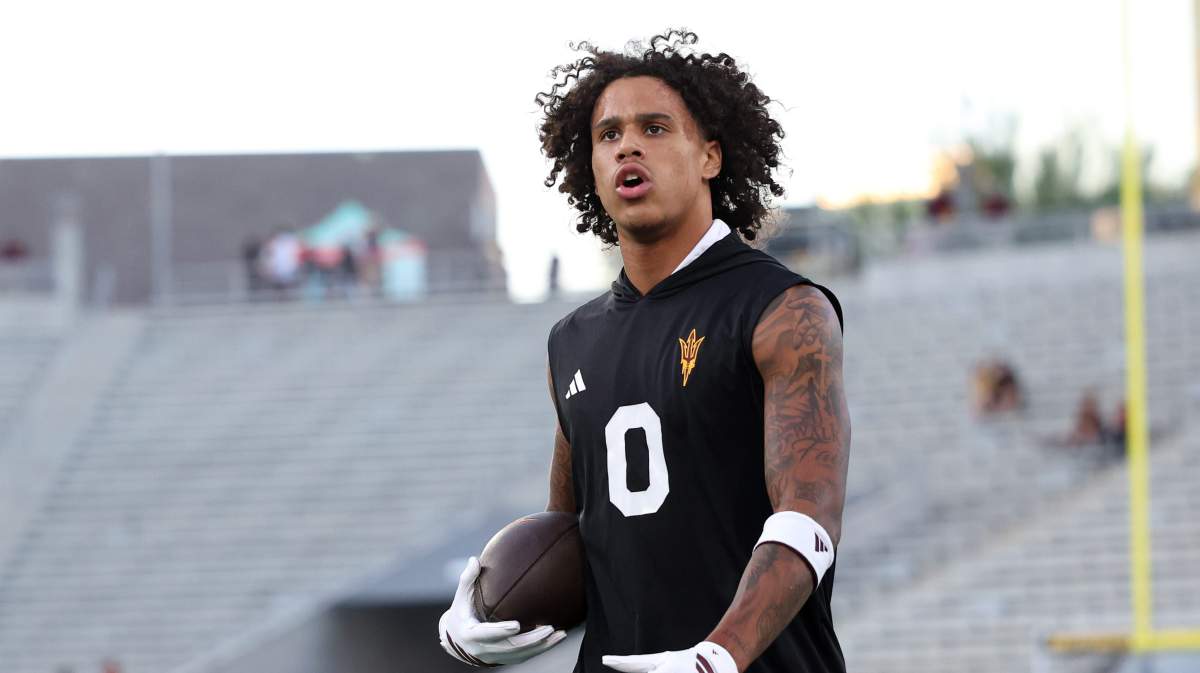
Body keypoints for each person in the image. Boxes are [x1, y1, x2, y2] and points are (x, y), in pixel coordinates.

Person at [438, 30, 850, 673]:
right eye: (609, 134)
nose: (628, 145)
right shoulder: (572, 339)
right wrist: (484, 613)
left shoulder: (783, 308)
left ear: (710, 156)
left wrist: (717, 657)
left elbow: (810, 520)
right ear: (592, 169)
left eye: (655, 128)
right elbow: (571, 535)